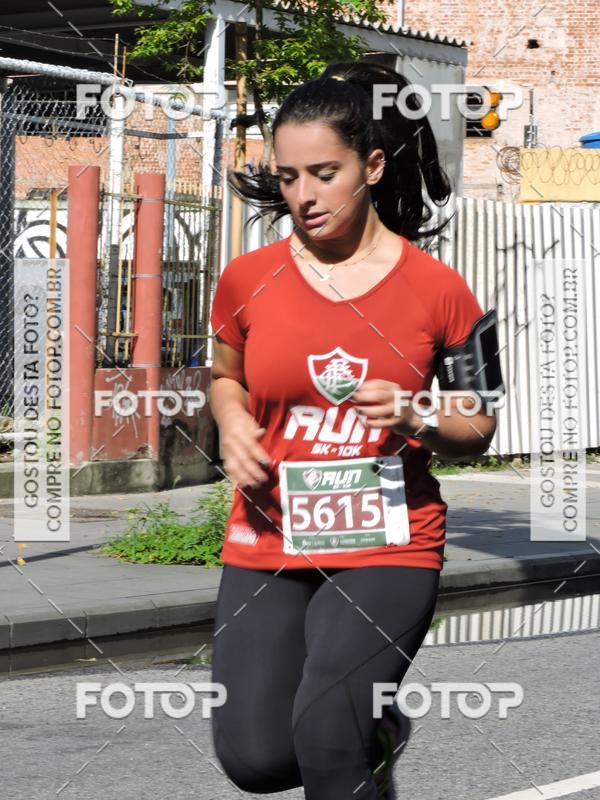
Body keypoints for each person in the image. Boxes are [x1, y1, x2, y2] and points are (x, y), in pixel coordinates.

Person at [208, 60, 498, 800]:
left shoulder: (445, 289)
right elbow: (224, 375)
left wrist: (417, 415)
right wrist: (233, 420)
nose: (302, 196)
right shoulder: (246, 278)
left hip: (388, 541)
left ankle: (358, 736)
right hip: (269, 539)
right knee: (257, 760)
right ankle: (386, 732)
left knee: (327, 737)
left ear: (371, 166)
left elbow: (479, 423)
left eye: (323, 173)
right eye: (288, 176)